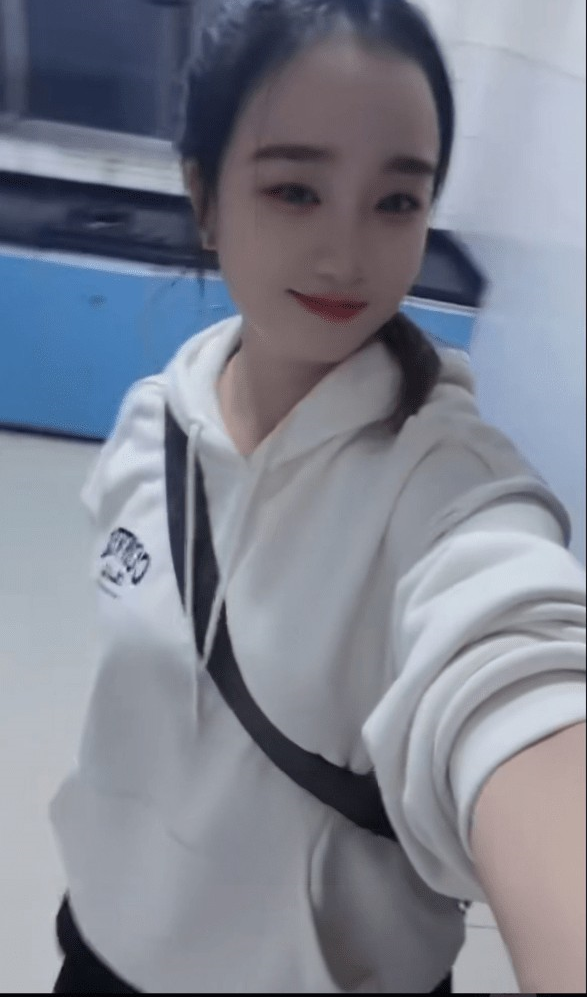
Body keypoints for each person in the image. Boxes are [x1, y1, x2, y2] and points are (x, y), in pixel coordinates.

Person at [50, 0, 586, 993]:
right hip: (101, 954)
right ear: (204, 195)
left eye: (395, 201)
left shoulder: (444, 484)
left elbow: (514, 669)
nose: (347, 253)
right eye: (295, 189)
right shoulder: (145, 426)